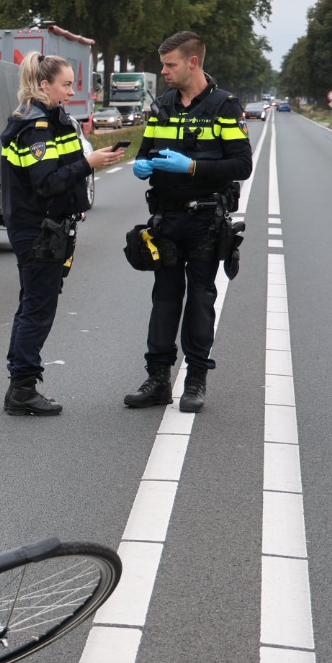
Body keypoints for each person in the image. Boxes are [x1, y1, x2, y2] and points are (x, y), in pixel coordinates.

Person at [123, 30, 253, 413]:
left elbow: (242, 164)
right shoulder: (161, 105)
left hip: (204, 218)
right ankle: (158, 379)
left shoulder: (225, 106)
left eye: (170, 64)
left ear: (192, 62)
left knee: (199, 299)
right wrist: (141, 165)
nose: (163, 70)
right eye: (162, 64)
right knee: (163, 299)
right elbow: (145, 151)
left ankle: (196, 378)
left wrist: (194, 166)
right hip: (165, 217)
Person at [0, 52, 129, 415]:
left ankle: (19, 383)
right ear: (45, 85)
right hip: (37, 230)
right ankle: (22, 389)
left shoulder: (51, 119)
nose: (72, 91)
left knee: (32, 305)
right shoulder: (36, 126)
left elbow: (59, 174)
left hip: (47, 226)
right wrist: (89, 163)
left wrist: (76, 198)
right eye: (66, 84)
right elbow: (45, 183)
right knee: (38, 309)